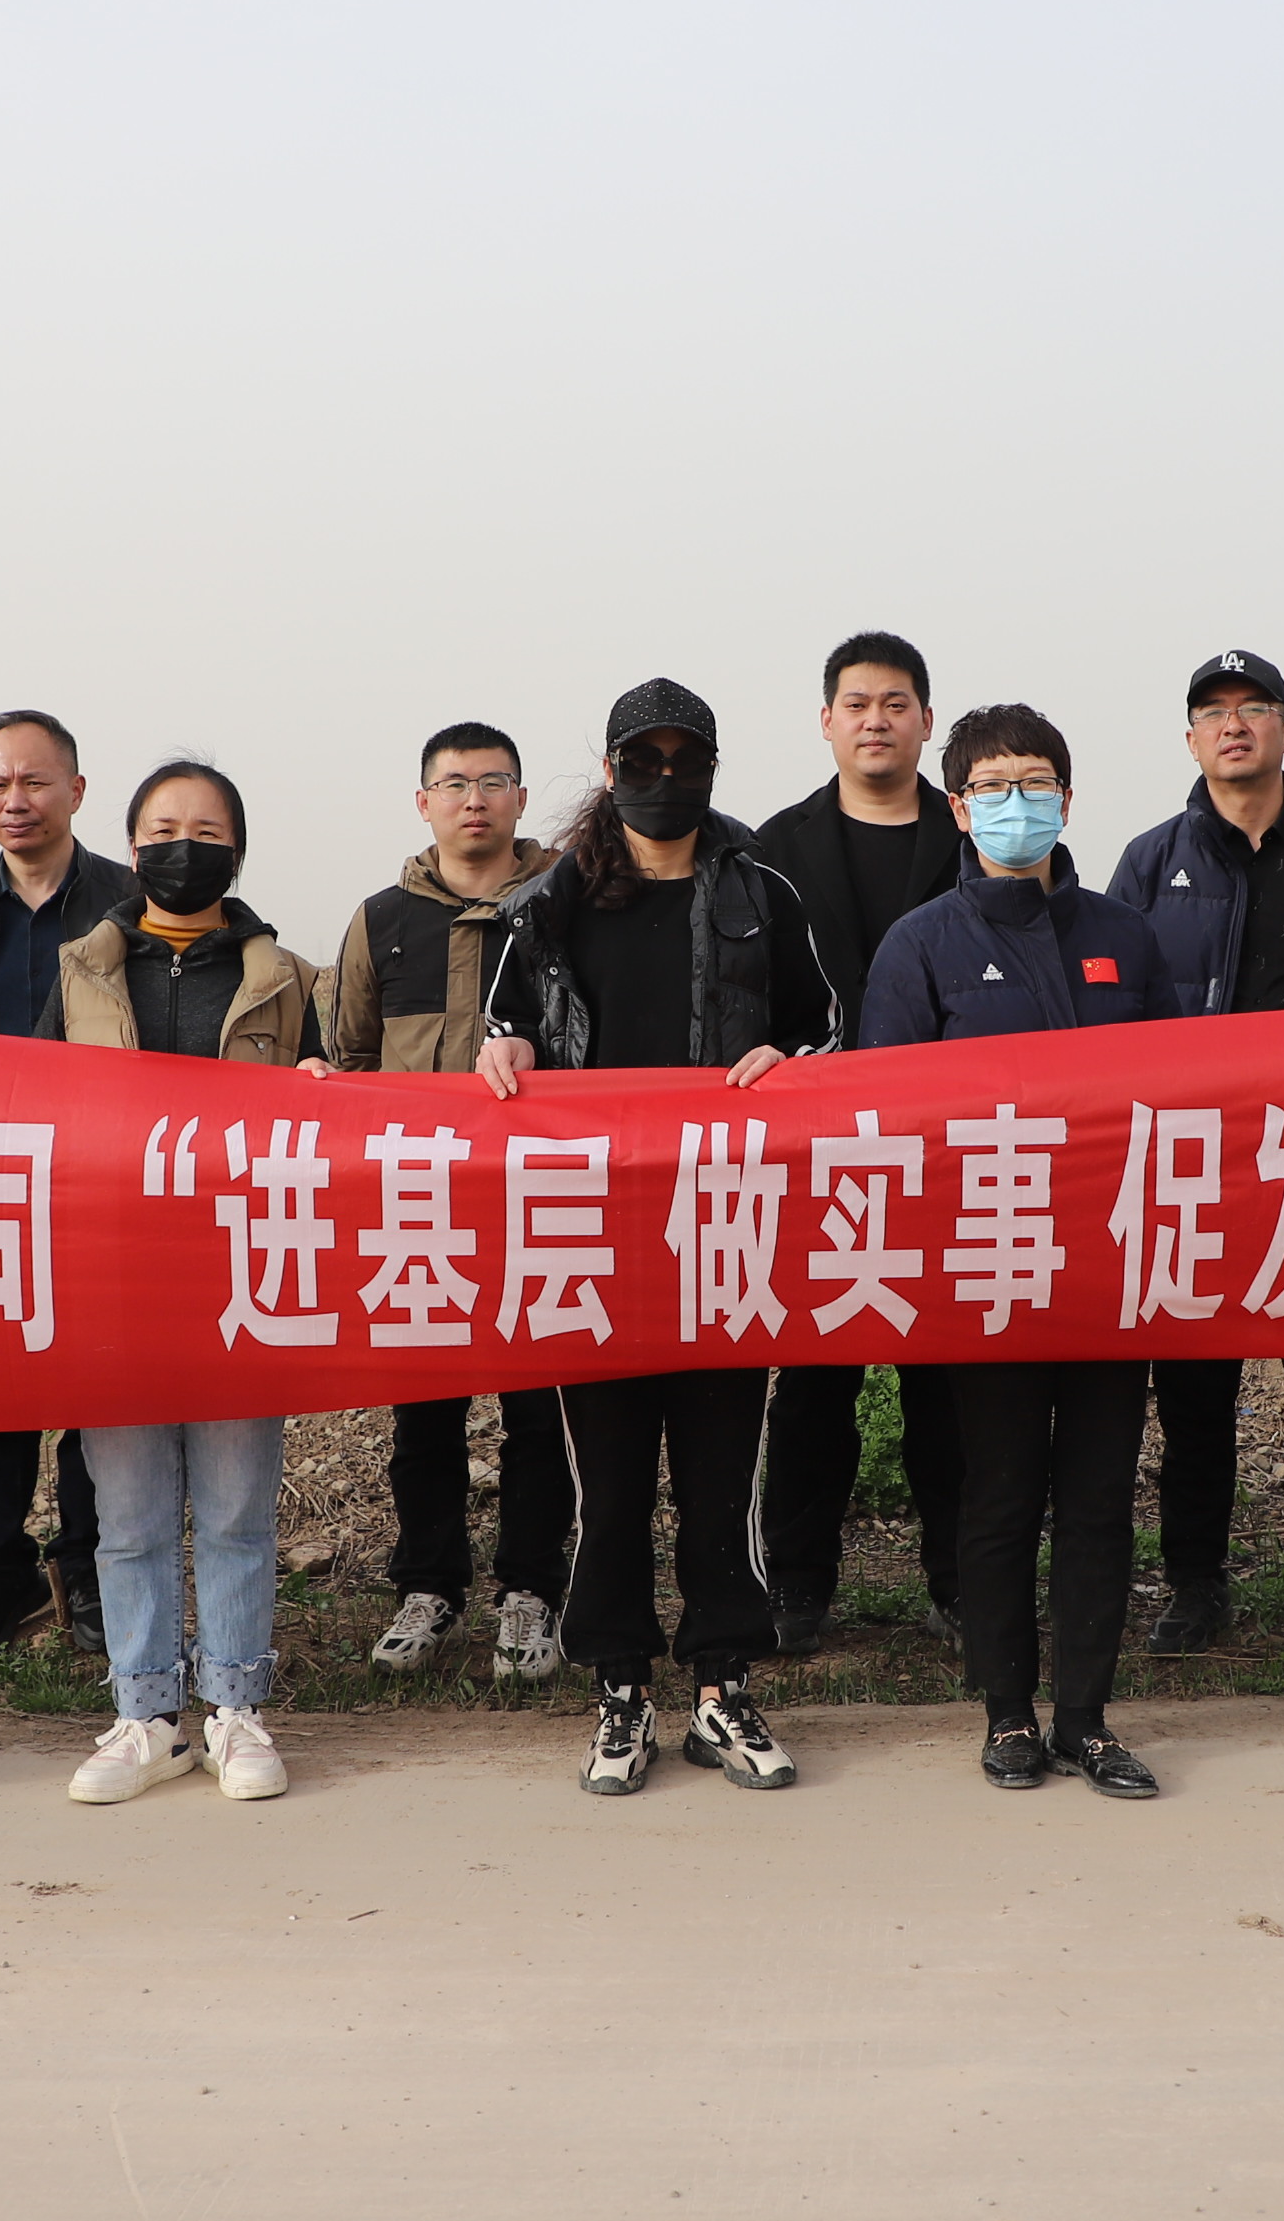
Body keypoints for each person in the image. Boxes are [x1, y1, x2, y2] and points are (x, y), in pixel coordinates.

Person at [479, 677, 840, 1796]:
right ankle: (621, 1688)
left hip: (724, 1227)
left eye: (687, 760)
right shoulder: (550, 902)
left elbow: (824, 1031)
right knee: (610, 1481)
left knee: (725, 1475)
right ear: (610, 768)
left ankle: (723, 1687)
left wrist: (790, 1064)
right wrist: (503, 1050)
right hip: (593, 1236)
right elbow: (505, 1028)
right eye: (645, 759)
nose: (666, 778)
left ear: (714, 770)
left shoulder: (763, 891)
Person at [859, 703, 1173, 1797]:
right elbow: (888, 1118)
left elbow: (1179, 1096)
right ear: (958, 808)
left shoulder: (1124, 935)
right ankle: (1005, 1714)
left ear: (1067, 801)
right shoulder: (921, 944)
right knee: (996, 1495)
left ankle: (1086, 1718)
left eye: (1034, 783)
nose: (1015, 803)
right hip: (985, 1269)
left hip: (1108, 1267)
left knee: (1097, 1497)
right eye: (992, 787)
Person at [44, 761, 315, 1805]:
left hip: (238, 1269)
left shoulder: (282, 976)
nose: (182, 847)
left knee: (238, 1507)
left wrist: (321, 1086)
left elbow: (330, 1101)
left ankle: (235, 1707)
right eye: (163, 829)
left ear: (234, 852)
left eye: (205, 831)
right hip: (112, 1271)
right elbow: (18, 1104)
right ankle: (146, 1714)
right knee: (129, 1517)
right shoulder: (80, 970)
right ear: (131, 846)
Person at [1103, 649, 1284, 1659]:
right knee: (1194, 1392)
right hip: (1197, 1162)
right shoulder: (1148, 863)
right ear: (1190, 740)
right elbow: (1117, 1012)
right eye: (1212, 711)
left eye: (1253, 707)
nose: (1233, 724)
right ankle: (1194, 1583)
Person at [307, 722, 578, 1689]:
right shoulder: (382, 919)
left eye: (493, 782)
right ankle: (428, 1587)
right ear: (423, 803)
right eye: (454, 783)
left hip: (540, 1199)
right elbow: (348, 1057)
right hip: (420, 1204)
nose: (474, 799)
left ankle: (532, 1589)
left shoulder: (567, 904)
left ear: (519, 800)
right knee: (425, 1414)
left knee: (539, 1412)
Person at [749, 634, 969, 1652]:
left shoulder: (971, 833)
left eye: (895, 702)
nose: (874, 719)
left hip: (953, 1149)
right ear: (826, 721)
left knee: (949, 1384)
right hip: (816, 1153)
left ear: (925, 720)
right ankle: (796, 1585)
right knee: (811, 1385)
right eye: (856, 703)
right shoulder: (771, 848)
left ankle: (960, 1583)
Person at [0, 710, 133, 1676]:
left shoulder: (131, 902)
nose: (15, 800)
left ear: (77, 792)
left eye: (35, 781)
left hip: (97, 1177)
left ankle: (86, 1572)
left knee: (94, 1383)